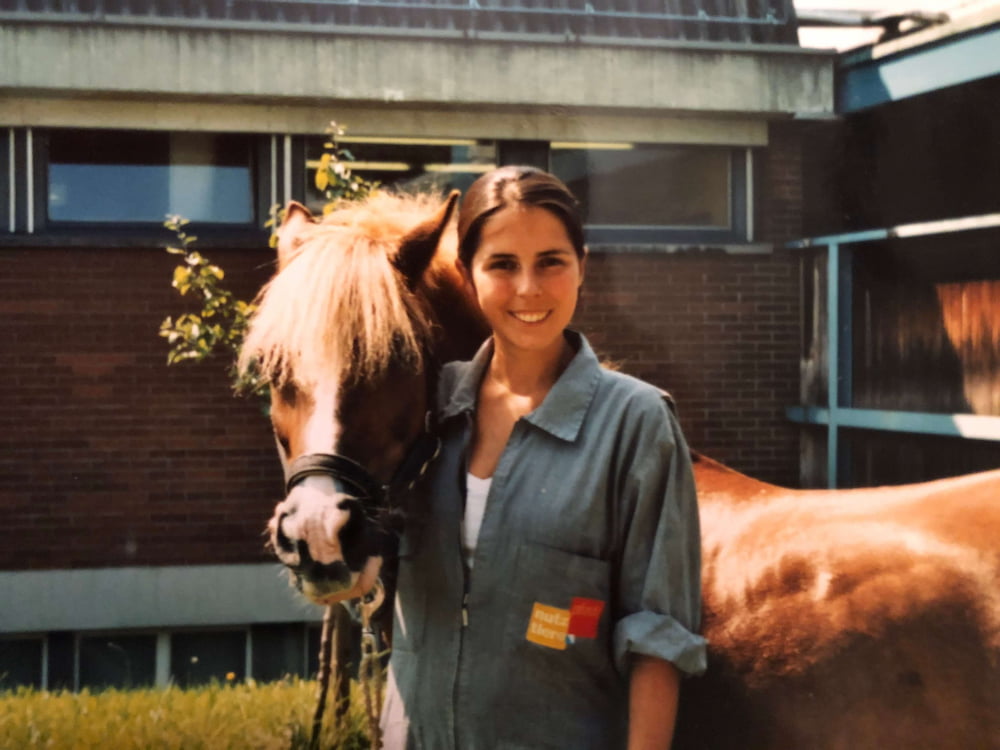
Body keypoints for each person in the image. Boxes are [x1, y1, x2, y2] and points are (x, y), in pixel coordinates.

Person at [381, 166, 706, 750]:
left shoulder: (636, 422)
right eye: (502, 264)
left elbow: (657, 637)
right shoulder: (427, 409)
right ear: (466, 273)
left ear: (582, 265)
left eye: (551, 262)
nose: (528, 288)